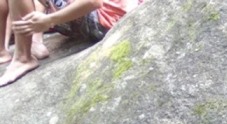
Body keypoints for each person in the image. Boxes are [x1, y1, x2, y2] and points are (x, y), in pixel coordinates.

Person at [0, 0, 136, 87]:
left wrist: (49, 20)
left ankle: (23, 58)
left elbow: (93, 2)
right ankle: (25, 46)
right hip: (94, 21)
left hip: (106, 20)